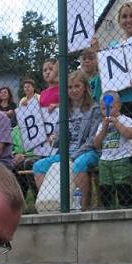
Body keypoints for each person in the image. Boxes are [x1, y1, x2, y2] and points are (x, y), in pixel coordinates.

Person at [93, 0, 132, 164]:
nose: (129, 20)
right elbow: (107, 74)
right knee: (122, 149)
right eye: (124, 16)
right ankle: (127, 186)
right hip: (122, 105)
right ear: (119, 21)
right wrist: (97, 52)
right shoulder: (114, 46)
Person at [33, 71, 101, 210]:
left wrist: (73, 156)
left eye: (77, 86)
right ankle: (52, 205)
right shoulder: (64, 110)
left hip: (89, 152)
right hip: (65, 153)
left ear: (84, 87)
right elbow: (58, 137)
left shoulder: (95, 109)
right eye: (70, 87)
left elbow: (92, 140)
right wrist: (54, 138)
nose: (73, 90)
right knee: (38, 166)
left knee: (79, 163)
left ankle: (82, 207)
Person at [93, 91, 132, 208]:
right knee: (105, 187)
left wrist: (116, 123)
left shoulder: (125, 120)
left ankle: (126, 208)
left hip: (122, 158)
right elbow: (96, 144)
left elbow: (131, 134)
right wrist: (104, 128)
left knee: (123, 185)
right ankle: (108, 209)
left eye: (110, 107)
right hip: (105, 160)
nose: (106, 111)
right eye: (103, 109)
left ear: (119, 106)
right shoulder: (102, 125)